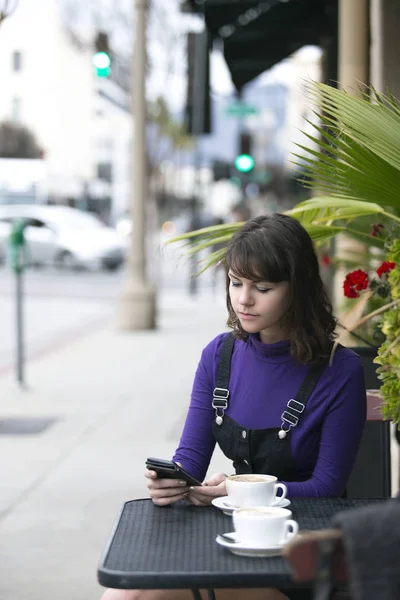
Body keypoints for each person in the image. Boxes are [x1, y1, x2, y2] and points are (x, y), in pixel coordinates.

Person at [101, 214, 367, 600]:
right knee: (125, 592)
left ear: (299, 288)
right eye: (236, 282)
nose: (244, 299)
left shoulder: (338, 370)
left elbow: (327, 487)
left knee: (138, 595)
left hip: (301, 559)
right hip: (233, 546)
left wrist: (237, 491)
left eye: (263, 287)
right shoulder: (219, 356)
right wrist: (173, 483)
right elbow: (190, 459)